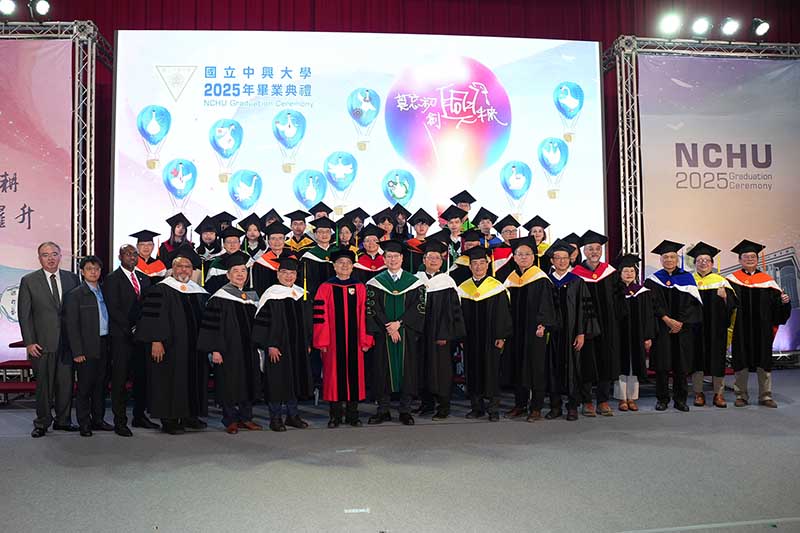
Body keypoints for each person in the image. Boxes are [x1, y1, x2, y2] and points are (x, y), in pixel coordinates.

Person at [136, 255, 209, 435]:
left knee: (192, 379)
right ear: (172, 269)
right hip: (170, 347)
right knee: (169, 381)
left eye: (188, 266)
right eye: (180, 266)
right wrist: (156, 340)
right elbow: (152, 318)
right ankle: (169, 420)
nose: (184, 270)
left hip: (193, 348)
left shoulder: (197, 291)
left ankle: (189, 415)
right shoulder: (161, 289)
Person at [18, 242, 80, 438]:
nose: (50, 258)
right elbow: (24, 315)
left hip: (67, 343)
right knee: (44, 386)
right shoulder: (29, 280)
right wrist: (29, 342)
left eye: (54, 254)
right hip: (42, 343)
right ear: (39, 258)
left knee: (66, 384)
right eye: (45, 255)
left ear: (60, 256)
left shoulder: (72, 278)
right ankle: (42, 422)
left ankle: (63, 421)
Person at [197, 252, 262, 434]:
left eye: (243, 271)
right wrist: (215, 350)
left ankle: (246, 418)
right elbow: (212, 326)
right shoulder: (219, 297)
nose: (240, 274)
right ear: (228, 274)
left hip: (249, 349)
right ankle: (230, 419)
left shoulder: (252, 296)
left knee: (248, 381)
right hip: (227, 349)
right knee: (228, 383)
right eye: (235, 271)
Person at [365, 240, 426, 425]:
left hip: (406, 333)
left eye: (396, 256)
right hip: (383, 334)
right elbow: (372, 308)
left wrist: (399, 324)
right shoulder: (375, 283)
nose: (392, 260)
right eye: (389, 256)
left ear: (402, 258)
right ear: (384, 259)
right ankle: (383, 410)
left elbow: (419, 308)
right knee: (382, 369)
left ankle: (405, 410)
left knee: (407, 370)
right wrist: (388, 326)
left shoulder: (414, 283)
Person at [313, 249, 375, 428]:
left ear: (353, 267)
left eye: (348, 263)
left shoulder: (360, 287)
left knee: (355, 377)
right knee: (333, 377)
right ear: (334, 266)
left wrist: (365, 340)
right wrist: (322, 341)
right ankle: (335, 416)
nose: (344, 266)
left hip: (355, 341)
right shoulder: (325, 288)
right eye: (340, 263)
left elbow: (366, 315)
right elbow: (320, 316)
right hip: (332, 342)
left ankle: (353, 415)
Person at [727, 239, 792, 408]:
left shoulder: (767, 282)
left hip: (762, 329)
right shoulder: (731, 281)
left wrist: (784, 302)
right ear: (739, 259)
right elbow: (726, 306)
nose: (750, 259)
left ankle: (765, 395)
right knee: (741, 361)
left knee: (764, 360)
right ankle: (741, 395)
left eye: (753, 257)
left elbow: (777, 307)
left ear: (757, 259)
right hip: (741, 328)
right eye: (746, 256)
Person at [252, 257, 313, 432]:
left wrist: (307, 342)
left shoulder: (301, 294)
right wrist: (270, 345)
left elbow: (308, 322)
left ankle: (292, 416)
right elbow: (263, 324)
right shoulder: (271, 295)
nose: (288, 276)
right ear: (278, 274)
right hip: (277, 347)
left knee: (295, 380)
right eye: (284, 273)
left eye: (292, 273)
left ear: (296, 275)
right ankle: (275, 418)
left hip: (298, 347)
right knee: (277, 382)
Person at [503, 237, 558, 422]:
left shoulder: (540, 278)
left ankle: (536, 407)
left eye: (527, 254)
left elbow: (547, 304)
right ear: (514, 257)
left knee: (536, 367)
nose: (524, 257)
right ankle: (520, 404)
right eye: (520, 254)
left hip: (535, 330)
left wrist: (543, 324)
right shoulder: (511, 279)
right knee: (518, 366)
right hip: (515, 331)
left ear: (534, 257)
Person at [103, 244, 155, 436]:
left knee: (142, 378)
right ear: (120, 256)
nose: (132, 257)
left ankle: (139, 416)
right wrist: (131, 328)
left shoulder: (144, 278)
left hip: (142, 338)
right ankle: (120, 421)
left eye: (134, 254)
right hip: (121, 338)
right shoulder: (111, 279)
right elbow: (113, 308)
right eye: (127, 254)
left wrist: (143, 328)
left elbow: (148, 306)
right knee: (120, 380)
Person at [644, 240, 703, 412]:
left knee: (681, 366)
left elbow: (693, 305)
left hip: (683, 329)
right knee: (662, 366)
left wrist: (680, 322)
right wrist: (667, 319)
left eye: (672, 257)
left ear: (677, 259)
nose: (669, 260)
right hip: (661, 328)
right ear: (661, 260)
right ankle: (662, 399)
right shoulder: (653, 280)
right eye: (665, 257)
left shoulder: (687, 279)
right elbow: (651, 305)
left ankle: (680, 400)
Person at [571, 230, 624, 417]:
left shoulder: (610, 273)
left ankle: (603, 400)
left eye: (597, 249)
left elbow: (619, 300)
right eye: (590, 249)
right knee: (586, 362)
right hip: (585, 327)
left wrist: (616, 322)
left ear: (601, 251)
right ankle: (587, 401)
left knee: (606, 360)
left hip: (608, 326)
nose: (594, 252)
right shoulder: (576, 274)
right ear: (584, 251)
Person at [457, 247, 513, 421]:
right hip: (471, 338)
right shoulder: (463, 289)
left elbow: (503, 314)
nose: (478, 267)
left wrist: (501, 336)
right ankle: (477, 407)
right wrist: (461, 337)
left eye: (482, 263)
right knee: (473, 370)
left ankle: (493, 408)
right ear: (470, 266)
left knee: (492, 371)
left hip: (491, 338)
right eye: (475, 263)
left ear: (487, 265)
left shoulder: (496, 288)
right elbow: (458, 316)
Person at [545, 240, 598, 421]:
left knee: (573, 369)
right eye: (558, 258)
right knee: (552, 369)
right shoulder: (546, 281)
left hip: (572, 333)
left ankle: (572, 406)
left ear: (570, 260)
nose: (561, 261)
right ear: (552, 260)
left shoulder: (577, 281)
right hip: (552, 334)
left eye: (565, 258)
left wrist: (581, 333)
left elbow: (584, 310)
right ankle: (555, 406)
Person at [413, 239, 466, 419]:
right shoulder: (415, 280)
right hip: (420, 334)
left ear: (442, 261)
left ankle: (443, 406)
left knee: (441, 370)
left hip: (440, 335)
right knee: (422, 367)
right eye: (430, 257)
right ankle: (426, 403)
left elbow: (453, 312)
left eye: (437, 258)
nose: (434, 261)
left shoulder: (447, 282)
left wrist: (445, 334)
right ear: (424, 259)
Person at [63, 256, 113, 437]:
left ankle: (98, 420)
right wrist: (77, 351)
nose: (94, 272)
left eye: (97, 269)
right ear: (82, 272)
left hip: (104, 343)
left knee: (100, 386)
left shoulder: (105, 291)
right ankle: (84, 423)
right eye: (89, 269)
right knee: (85, 387)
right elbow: (71, 326)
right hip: (85, 346)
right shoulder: (75, 295)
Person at [687, 242, 736, 408]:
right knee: (697, 360)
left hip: (716, 329)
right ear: (695, 263)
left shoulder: (721, 282)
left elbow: (733, 307)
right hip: (695, 329)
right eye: (699, 260)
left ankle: (718, 394)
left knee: (717, 360)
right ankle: (698, 393)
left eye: (706, 260)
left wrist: (725, 298)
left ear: (712, 263)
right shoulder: (689, 282)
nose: (703, 263)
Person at [615, 254, 655, 412]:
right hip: (619, 335)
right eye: (626, 271)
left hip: (638, 334)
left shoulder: (642, 292)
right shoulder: (615, 292)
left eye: (632, 271)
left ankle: (632, 398)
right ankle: (622, 398)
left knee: (635, 365)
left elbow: (648, 316)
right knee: (620, 365)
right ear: (620, 273)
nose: (629, 274)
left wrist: (648, 336)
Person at [253, 221, 296, 295]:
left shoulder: (292, 259)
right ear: (268, 241)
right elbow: (258, 286)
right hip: (269, 298)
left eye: (280, 238)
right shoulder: (260, 263)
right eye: (273, 238)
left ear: (284, 240)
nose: (277, 242)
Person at [301, 216, 338, 299]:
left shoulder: (339, 253)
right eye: (321, 232)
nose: (324, 234)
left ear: (331, 234)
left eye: (327, 232)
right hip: (317, 296)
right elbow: (307, 280)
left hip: (337, 295)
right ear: (315, 234)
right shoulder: (308, 256)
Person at [203, 226, 246, 295]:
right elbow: (210, 286)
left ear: (239, 244)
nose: (232, 245)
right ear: (224, 245)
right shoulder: (217, 262)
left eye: (235, 242)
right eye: (229, 242)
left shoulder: (248, 260)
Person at [403, 208, 435, 273]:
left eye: (424, 224)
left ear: (428, 227)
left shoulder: (433, 245)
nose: (421, 227)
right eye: (418, 224)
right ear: (414, 227)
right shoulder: (407, 245)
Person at [492, 214, 520, 283]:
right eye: (507, 231)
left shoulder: (523, 248)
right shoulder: (495, 249)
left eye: (514, 231)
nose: (511, 233)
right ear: (501, 234)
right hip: (502, 282)